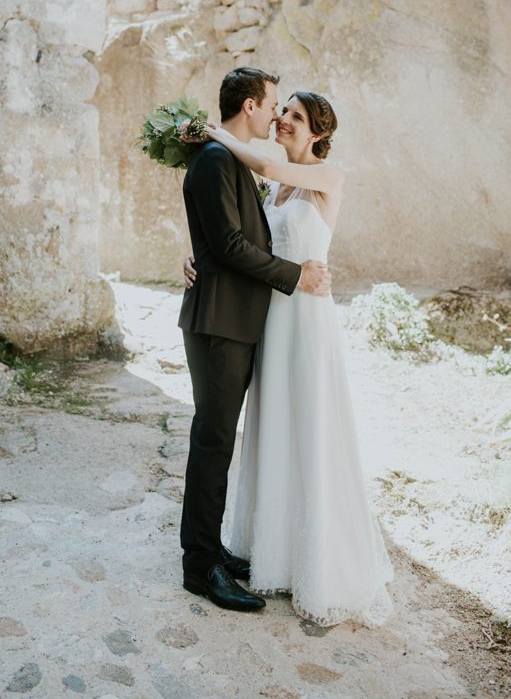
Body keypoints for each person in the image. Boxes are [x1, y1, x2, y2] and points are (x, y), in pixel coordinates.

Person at [183, 90, 393, 626]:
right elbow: (241, 240)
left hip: (307, 319)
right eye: (283, 112)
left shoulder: (329, 176)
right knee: (270, 426)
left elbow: (263, 161)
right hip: (268, 320)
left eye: (295, 117)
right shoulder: (271, 186)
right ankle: (270, 550)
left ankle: (321, 561)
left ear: (318, 133)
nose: (283, 120)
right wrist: (198, 258)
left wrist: (216, 132)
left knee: (311, 426)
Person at [178, 68, 332, 613]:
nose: (277, 116)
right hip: (221, 322)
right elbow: (228, 244)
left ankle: (210, 549)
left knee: (220, 441)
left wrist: (199, 251)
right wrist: (293, 277)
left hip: (246, 321)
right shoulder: (220, 158)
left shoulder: (243, 165)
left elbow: (226, 236)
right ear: (249, 105)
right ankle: (200, 568)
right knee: (214, 442)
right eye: (274, 105)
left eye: (290, 113)